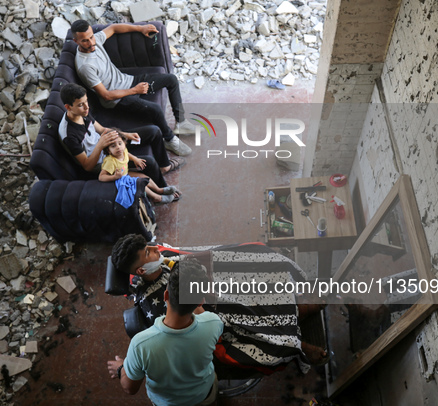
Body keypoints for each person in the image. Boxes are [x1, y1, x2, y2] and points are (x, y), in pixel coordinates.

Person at [111, 234, 329, 374]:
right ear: (141, 271)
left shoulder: (157, 258)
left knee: (259, 261)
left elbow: (189, 256)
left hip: (208, 286)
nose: (155, 249)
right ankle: (295, 343)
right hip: (209, 316)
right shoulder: (155, 306)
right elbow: (189, 326)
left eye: (149, 246)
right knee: (247, 318)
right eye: (148, 252)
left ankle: (293, 310)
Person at [71, 20, 195, 157]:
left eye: (91, 37)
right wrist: (135, 91)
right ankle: (169, 139)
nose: (91, 43)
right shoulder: (85, 66)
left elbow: (113, 28)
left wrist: (140, 28)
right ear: (76, 41)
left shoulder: (95, 40)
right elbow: (106, 95)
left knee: (171, 79)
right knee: (155, 109)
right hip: (117, 99)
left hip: (128, 81)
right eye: (85, 41)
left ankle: (181, 122)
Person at [107, 260, 223, 406]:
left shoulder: (141, 345)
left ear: (166, 295)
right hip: (205, 394)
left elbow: (130, 388)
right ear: (201, 302)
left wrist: (122, 368)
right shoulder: (213, 322)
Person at [59, 83, 183, 188]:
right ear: (68, 107)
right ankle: (164, 190)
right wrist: (101, 145)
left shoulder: (82, 112)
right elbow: (87, 166)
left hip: (108, 144)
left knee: (153, 131)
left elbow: (102, 129)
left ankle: (164, 167)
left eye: (86, 102)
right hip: (103, 162)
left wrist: (125, 135)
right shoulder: (69, 135)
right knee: (149, 162)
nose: (87, 107)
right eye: (81, 104)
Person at [99, 131, 181, 204]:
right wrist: (114, 177)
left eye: (120, 143)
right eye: (113, 146)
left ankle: (159, 190)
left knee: (145, 178)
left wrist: (135, 159)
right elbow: (101, 177)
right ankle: (156, 198)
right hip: (117, 181)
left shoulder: (122, 151)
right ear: (109, 150)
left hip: (125, 175)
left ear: (124, 143)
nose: (118, 147)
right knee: (140, 184)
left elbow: (126, 154)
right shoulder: (110, 162)